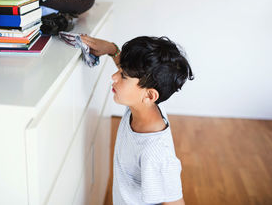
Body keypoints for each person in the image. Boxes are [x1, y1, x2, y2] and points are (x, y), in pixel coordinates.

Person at [81, 35, 193, 205]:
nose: (114, 76)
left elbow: (175, 202)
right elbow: (134, 77)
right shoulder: (142, 104)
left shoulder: (155, 153)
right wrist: (112, 49)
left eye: (123, 76)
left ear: (149, 95)